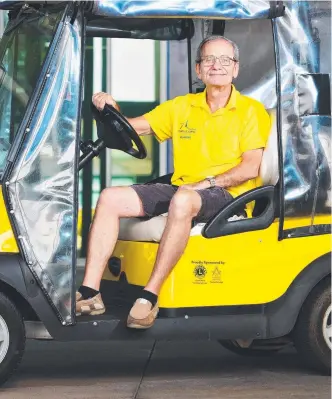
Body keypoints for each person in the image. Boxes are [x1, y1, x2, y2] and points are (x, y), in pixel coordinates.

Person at [76, 35, 271, 329]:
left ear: (235, 69)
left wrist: (204, 184)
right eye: (209, 60)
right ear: (198, 70)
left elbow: (250, 167)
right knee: (109, 197)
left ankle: (149, 296)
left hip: (229, 195)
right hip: (186, 187)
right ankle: (90, 293)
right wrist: (111, 108)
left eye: (224, 60)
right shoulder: (182, 107)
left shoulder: (250, 111)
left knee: (182, 199)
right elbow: (133, 128)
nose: (216, 66)